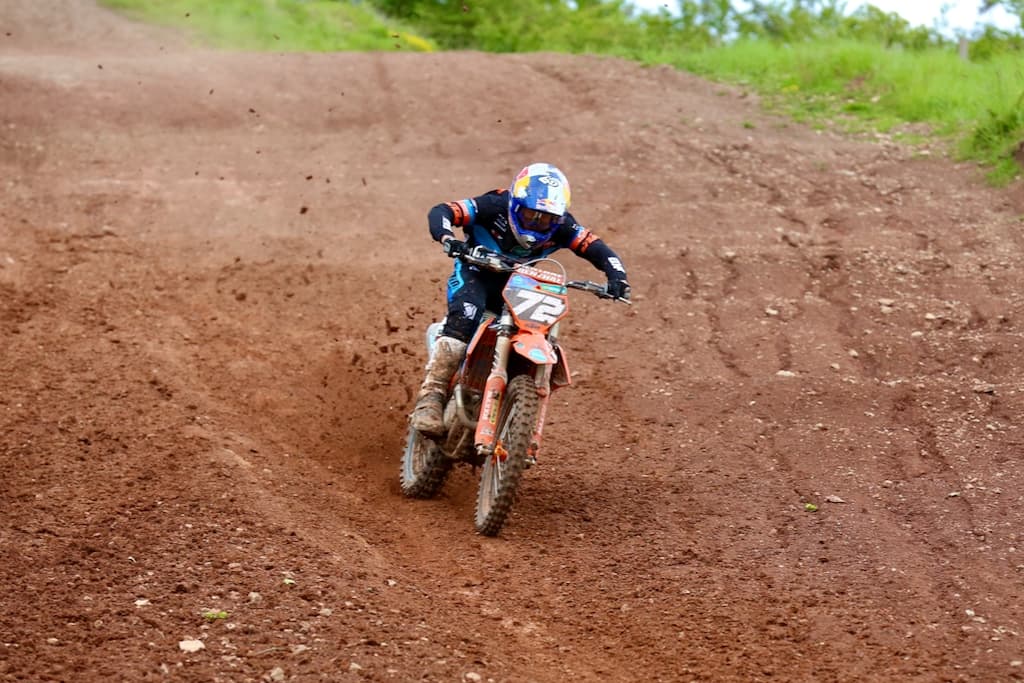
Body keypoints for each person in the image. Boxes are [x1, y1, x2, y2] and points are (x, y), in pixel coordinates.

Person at [410, 162, 631, 437]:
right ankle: (430, 398)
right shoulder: (494, 205)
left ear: (558, 217)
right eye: (531, 215)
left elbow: (598, 249)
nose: (538, 223)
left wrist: (617, 277)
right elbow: (442, 211)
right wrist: (447, 238)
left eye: (547, 219)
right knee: (465, 317)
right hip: (476, 272)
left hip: (520, 283)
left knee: (538, 328)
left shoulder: (565, 226)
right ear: (515, 205)